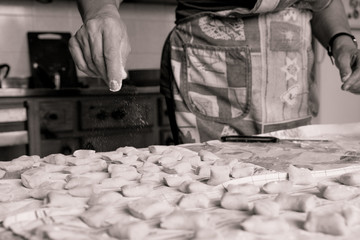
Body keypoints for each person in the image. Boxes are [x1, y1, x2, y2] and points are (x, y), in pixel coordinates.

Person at [69, 0, 360, 144]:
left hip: (287, 69)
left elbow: (325, 2)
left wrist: (342, 41)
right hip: (211, 67)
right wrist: (101, 11)